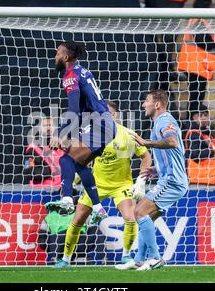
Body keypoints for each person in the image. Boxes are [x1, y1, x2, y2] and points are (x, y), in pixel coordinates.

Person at [53, 101, 152, 268]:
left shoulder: (128, 134)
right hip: (96, 185)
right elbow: (79, 158)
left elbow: (146, 156)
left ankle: (126, 257)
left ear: (114, 115)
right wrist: (76, 177)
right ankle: (66, 259)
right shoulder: (92, 134)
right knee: (77, 220)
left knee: (130, 218)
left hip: (122, 185)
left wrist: (141, 180)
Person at [117, 89, 188, 271]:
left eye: (146, 101)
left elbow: (172, 142)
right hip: (168, 177)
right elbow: (177, 151)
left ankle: (155, 258)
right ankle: (140, 259)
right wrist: (157, 169)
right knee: (144, 217)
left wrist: (146, 143)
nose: (143, 104)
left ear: (157, 104)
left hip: (172, 181)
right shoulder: (159, 122)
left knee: (139, 211)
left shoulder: (165, 120)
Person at [46, 41, 117, 223]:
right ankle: (98, 207)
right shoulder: (83, 70)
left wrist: (61, 134)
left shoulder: (70, 76)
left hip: (98, 124)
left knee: (66, 159)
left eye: (58, 54)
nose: (55, 57)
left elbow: (74, 109)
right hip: (103, 124)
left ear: (66, 57)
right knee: (78, 165)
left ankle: (67, 200)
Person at [177, 0, 215, 119]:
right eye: (210, 6)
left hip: (194, 65)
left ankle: (192, 121)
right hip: (198, 66)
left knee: (195, 95)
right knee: (197, 96)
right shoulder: (200, 21)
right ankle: (192, 122)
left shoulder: (194, 20)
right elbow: (202, 41)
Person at [38, 204, 107, 265]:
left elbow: (42, 242)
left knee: (93, 231)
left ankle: (61, 257)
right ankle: (60, 257)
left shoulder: (49, 217)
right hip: (62, 245)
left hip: (73, 245)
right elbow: (42, 241)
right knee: (66, 234)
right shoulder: (49, 217)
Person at [184, 105, 215, 185]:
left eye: (206, 115)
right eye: (200, 115)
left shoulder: (207, 134)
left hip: (207, 179)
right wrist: (211, 151)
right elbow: (195, 154)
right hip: (196, 181)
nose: (204, 118)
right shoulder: (194, 133)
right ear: (194, 118)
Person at [23, 117, 64, 188]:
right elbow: (28, 172)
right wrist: (51, 170)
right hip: (41, 191)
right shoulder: (33, 149)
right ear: (39, 129)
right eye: (45, 126)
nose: (48, 128)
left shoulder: (63, 148)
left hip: (64, 189)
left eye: (51, 125)